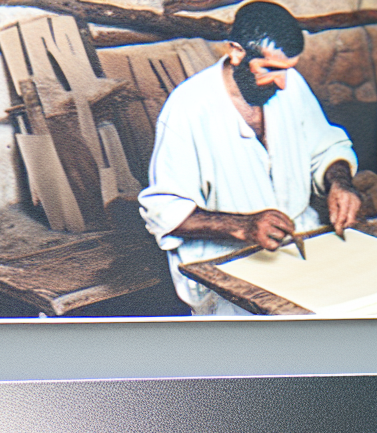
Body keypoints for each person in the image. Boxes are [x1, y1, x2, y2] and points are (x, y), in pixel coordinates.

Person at [139, 2, 363, 316]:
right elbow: (166, 211)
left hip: (299, 244)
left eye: (289, 69)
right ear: (237, 53)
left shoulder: (289, 84)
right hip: (226, 264)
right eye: (270, 69)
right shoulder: (189, 109)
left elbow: (326, 146)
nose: (283, 82)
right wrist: (244, 227)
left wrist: (339, 183)